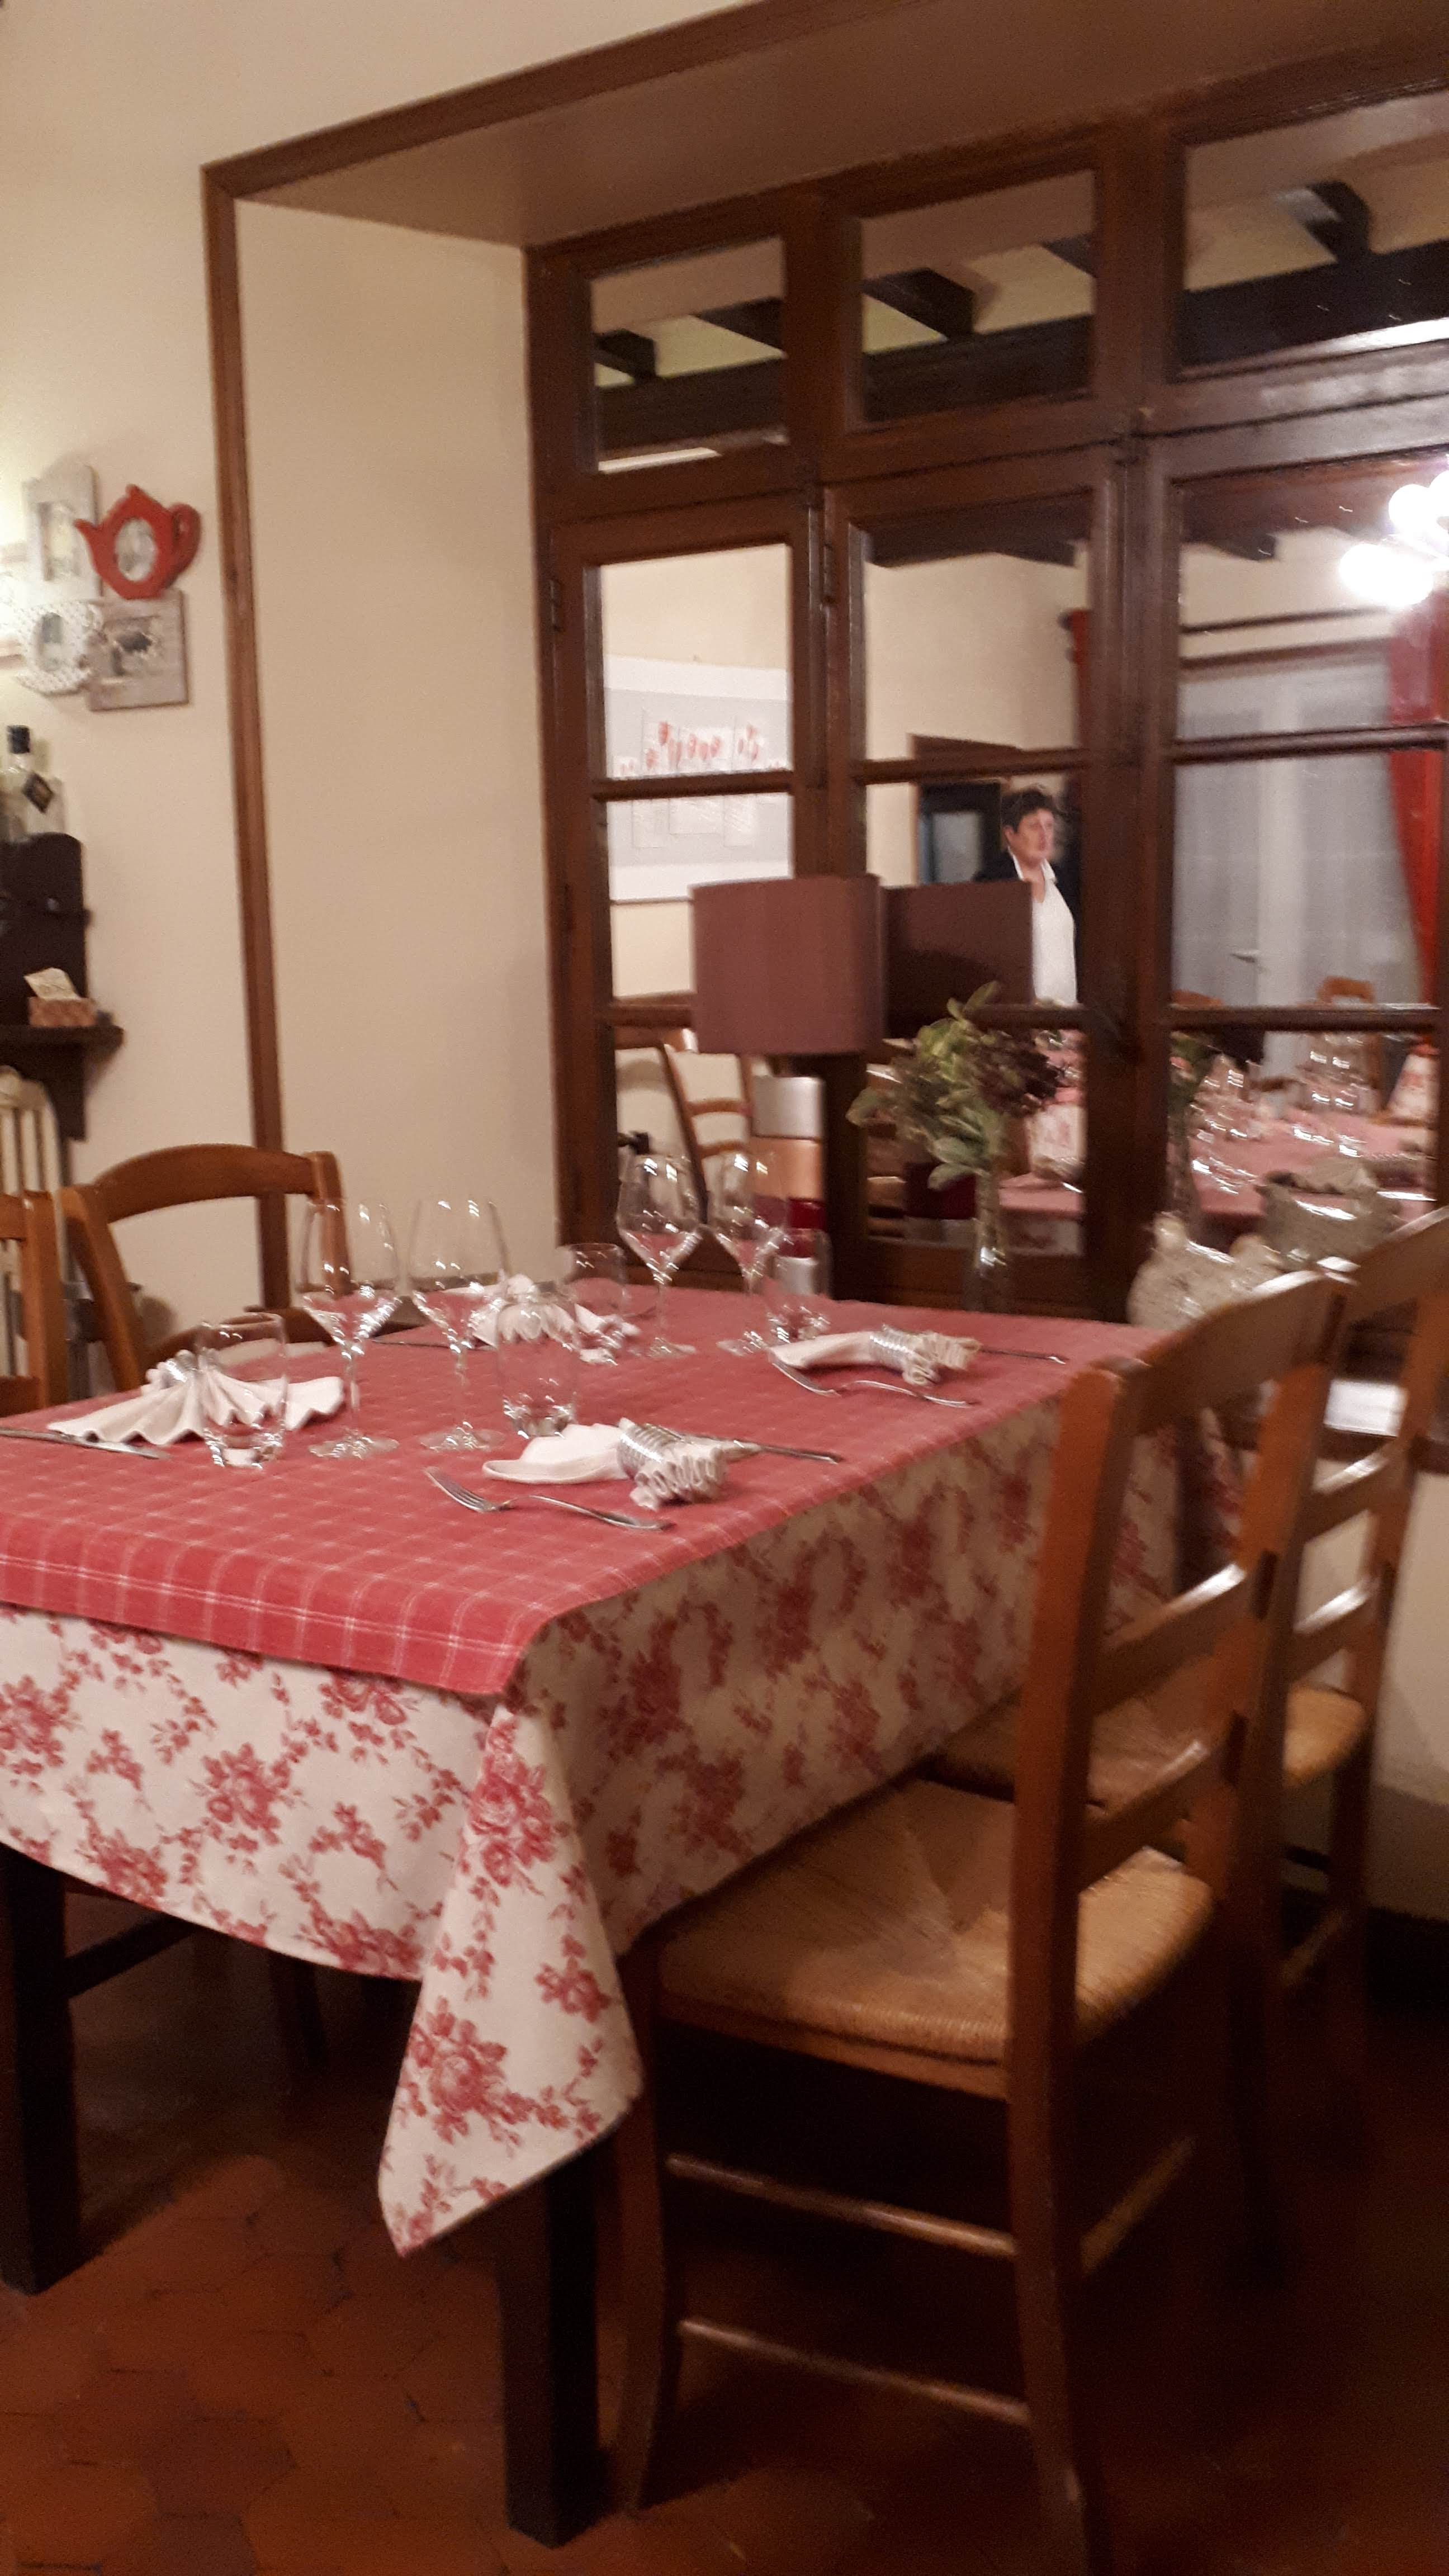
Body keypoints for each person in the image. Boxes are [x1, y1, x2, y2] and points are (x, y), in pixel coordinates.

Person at [979, 786, 1079, 1005]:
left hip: (1068, 1012)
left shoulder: (1063, 879)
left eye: (1049, 826)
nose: (1044, 835)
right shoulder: (992, 882)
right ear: (1011, 834)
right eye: (1034, 826)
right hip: (1021, 1014)